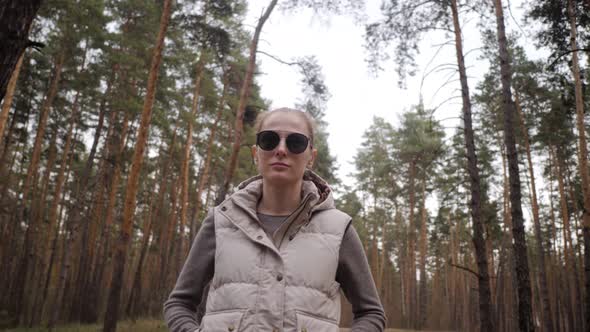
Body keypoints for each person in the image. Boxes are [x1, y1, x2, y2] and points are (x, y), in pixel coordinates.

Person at [163, 108, 386, 332]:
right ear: (255, 153)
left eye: (296, 142)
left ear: (311, 157)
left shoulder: (338, 229)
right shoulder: (221, 221)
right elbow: (179, 304)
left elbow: (371, 313)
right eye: (269, 140)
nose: (280, 150)